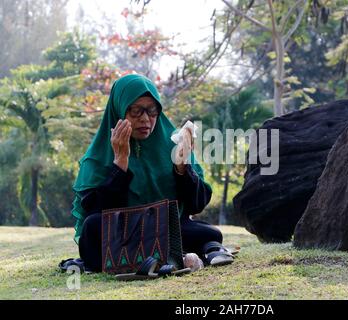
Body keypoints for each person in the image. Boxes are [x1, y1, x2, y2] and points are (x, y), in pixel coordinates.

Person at [70, 74, 234, 273]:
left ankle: (150, 257)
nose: (145, 119)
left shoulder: (172, 143)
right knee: (92, 228)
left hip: (166, 229)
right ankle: (177, 255)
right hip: (123, 233)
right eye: (136, 111)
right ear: (119, 110)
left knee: (207, 232)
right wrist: (120, 164)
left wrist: (183, 169)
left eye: (152, 110)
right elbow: (95, 210)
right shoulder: (97, 156)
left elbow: (196, 204)